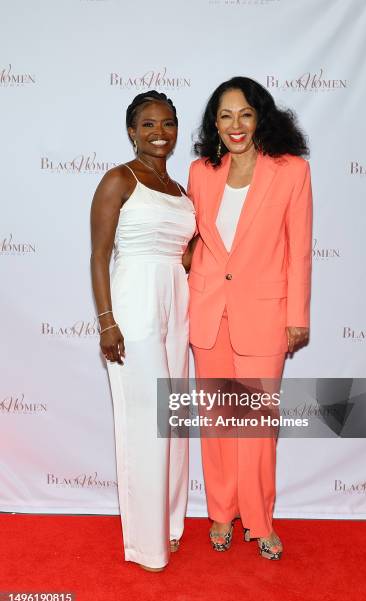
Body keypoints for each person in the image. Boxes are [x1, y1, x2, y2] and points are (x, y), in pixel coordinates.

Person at [187, 76, 312, 560]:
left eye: (244, 113)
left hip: (264, 314)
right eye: (224, 115)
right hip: (208, 313)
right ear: (214, 124)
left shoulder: (291, 171)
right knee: (216, 419)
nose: (235, 124)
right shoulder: (201, 171)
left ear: (261, 117)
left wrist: (297, 314)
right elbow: (192, 241)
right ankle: (220, 511)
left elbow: (299, 250)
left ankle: (259, 520)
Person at [90, 91, 196, 572]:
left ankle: (169, 525)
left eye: (168, 123)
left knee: (171, 420)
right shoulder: (119, 179)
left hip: (178, 302)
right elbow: (98, 256)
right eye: (149, 124)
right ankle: (145, 544)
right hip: (134, 306)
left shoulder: (179, 189)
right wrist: (107, 322)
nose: (160, 132)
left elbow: (186, 255)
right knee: (144, 425)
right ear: (131, 131)